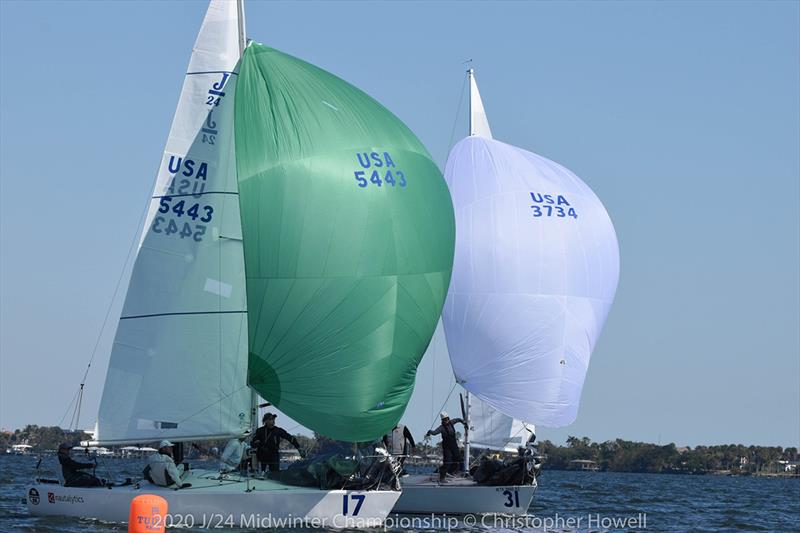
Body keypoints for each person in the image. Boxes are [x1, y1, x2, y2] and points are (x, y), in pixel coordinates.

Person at [425, 411, 466, 481]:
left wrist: (464, 422)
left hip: (454, 445)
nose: (446, 420)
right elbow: (435, 433)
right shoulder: (441, 428)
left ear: (448, 418)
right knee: (447, 462)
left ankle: (451, 472)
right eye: (444, 419)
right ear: (442, 420)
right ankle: (442, 477)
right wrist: (429, 432)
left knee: (458, 459)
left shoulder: (452, 422)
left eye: (447, 419)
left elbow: (458, 419)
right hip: (447, 447)